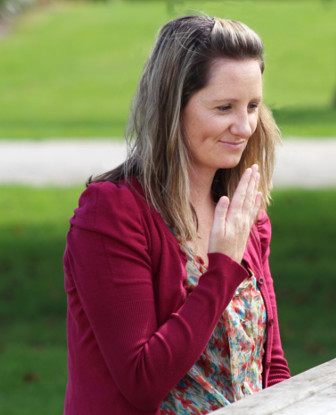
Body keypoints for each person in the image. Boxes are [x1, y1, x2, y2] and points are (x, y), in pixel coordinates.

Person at [63, 15, 290, 415]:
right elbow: (141, 381)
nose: (244, 126)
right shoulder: (111, 213)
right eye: (224, 107)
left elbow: (269, 367)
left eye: (253, 106)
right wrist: (221, 269)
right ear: (173, 105)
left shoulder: (244, 214)